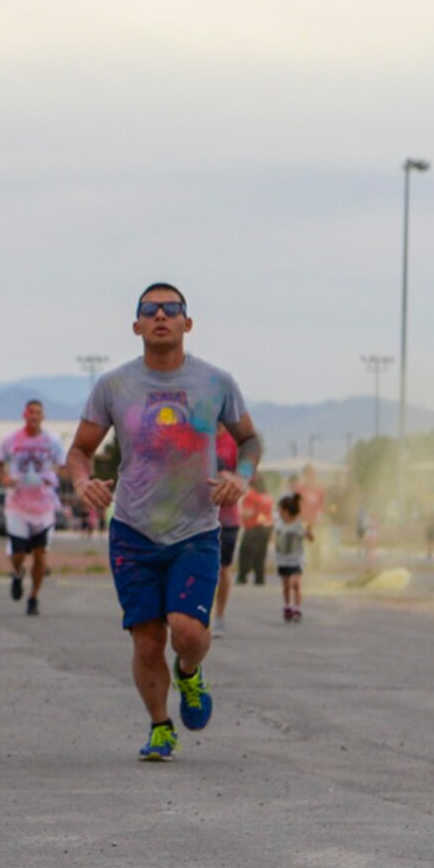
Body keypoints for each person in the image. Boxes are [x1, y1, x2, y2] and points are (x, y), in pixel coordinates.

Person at [65, 284, 260, 761]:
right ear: (136, 325)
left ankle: (190, 673)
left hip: (195, 530)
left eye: (171, 309)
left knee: (187, 632)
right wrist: (81, 481)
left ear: (187, 324)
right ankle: (160, 726)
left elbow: (250, 440)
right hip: (133, 529)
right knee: (147, 639)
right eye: (149, 310)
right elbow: (79, 451)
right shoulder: (114, 386)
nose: (160, 316)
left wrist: (242, 475)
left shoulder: (216, 383)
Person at [0, 399, 65, 616]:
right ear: (25, 415)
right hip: (17, 505)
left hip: (43, 507)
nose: (34, 416)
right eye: (30, 412)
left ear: (43, 417)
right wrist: (4, 477)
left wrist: (52, 478)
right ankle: (17, 573)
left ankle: (33, 597)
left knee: (41, 554)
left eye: (38, 413)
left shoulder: (52, 440)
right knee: (18, 554)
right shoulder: (11, 440)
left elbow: (62, 465)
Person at [211, 430, 243, 636]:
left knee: (223, 570)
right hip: (197, 516)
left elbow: (246, 477)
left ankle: (219, 616)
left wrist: (231, 478)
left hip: (228, 518)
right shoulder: (197, 436)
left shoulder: (234, 443)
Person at [274, 493, 309, 621]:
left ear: (287, 511)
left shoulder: (298, 525)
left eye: (281, 510)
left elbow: (309, 537)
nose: (280, 513)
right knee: (286, 585)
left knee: (296, 584)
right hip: (282, 559)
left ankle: (297, 608)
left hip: (296, 558)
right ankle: (287, 605)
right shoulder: (279, 523)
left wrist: (309, 533)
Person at [237, 476, 274, 584]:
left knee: (245, 552)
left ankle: (242, 577)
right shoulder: (267, 496)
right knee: (260, 554)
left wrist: (238, 513)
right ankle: (260, 578)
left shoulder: (252, 495)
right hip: (266, 527)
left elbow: (248, 513)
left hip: (253, 527)